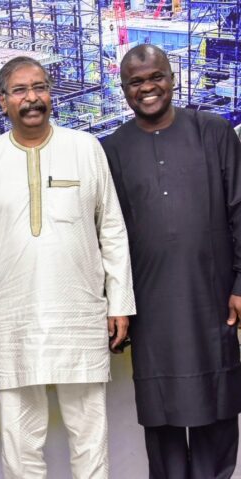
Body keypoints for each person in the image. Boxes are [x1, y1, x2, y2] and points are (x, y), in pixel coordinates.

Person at [0, 56, 136, 479]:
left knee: (90, 436)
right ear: (2, 101)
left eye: (39, 87)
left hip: (79, 314)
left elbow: (112, 229)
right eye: (20, 90)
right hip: (11, 321)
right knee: (20, 444)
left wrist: (119, 303)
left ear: (51, 94)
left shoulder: (85, 148)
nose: (32, 98)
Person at [102, 44, 241, 479]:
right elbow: (108, 234)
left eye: (155, 77)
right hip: (150, 307)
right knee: (161, 419)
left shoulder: (214, 132)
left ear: (172, 78)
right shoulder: (112, 149)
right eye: (136, 81)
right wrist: (116, 303)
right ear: (124, 89)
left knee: (217, 404)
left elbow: (240, 209)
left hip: (212, 299)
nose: (147, 88)